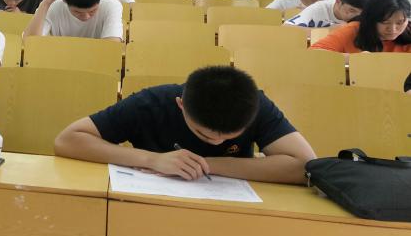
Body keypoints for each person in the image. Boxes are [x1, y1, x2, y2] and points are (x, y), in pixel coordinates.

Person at [54, 66, 316, 185]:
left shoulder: (254, 103)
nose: (217, 142)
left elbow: (305, 166)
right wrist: (152, 160)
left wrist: (205, 164)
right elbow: (68, 140)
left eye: (229, 137)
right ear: (181, 105)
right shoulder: (152, 102)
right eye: (204, 134)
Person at [24, 0, 123, 41]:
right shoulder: (53, 5)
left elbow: (111, 46)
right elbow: (29, 41)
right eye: (77, 12)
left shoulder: (112, 5)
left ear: (100, 0)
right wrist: (45, 3)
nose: (86, 17)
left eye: (92, 11)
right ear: (65, 2)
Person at [311, 0, 411, 54]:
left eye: (400, 23)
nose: (393, 29)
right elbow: (314, 53)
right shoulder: (353, 30)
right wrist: (354, 59)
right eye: (385, 22)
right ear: (371, 19)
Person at [284, 0, 374, 28]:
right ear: (338, 2)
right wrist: (330, 30)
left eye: (362, 13)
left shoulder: (369, 15)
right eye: (352, 10)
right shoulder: (319, 8)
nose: (356, 16)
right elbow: (286, 28)